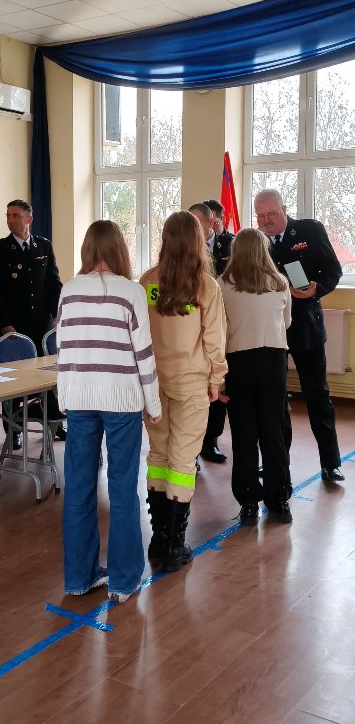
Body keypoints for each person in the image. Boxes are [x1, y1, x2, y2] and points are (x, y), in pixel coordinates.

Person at [56, 220, 161, 604]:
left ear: (87, 249)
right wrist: (154, 404)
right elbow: (143, 353)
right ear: (120, 249)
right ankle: (123, 580)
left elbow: (63, 349)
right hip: (122, 401)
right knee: (122, 488)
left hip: (79, 399)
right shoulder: (131, 292)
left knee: (78, 489)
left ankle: (78, 578)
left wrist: (64, 397)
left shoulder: (69, 290)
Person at [141, 211, 227, 572]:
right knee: (182, 461)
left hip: (152, 384)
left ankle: (159, 538)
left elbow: (139, 335)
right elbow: (214, 340)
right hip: (191, 384)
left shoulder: (148, 281)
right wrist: (216, 379)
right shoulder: (206, 286)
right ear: (197, 241)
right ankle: (176, 545)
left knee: (158, 454)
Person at [254, 189, 344, 482]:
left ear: (284, 209)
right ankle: (277, 463)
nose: (266, 221)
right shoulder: (255, 241)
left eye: (272, 214)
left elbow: (333, 269)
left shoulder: (309, 231)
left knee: (317, 395)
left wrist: (317, 288)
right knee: (274, 399)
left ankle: (330, 462)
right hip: (271, 329)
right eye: (260, 216)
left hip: (305, 325)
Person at [219, 228, 292, 525]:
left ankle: (248, 500)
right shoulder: (280, 282)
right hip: (273, 360)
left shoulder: (223, 284)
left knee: (244, 433)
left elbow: (220, 328)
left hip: (238, 361)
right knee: (274, 431)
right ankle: (279, 499)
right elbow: (286, 322)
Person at [0, 199, 64, 446]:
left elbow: (53, 283)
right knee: (13, 380)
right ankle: (13, 430)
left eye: (16, 216)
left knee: (48, 376)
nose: (10, 220)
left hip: (41, 324)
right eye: (8, 215)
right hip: (14, 326)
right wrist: (4, 324)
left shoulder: (43, 245)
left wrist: (57, 314)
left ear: (29, 219)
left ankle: (54, 423)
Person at [189, 201, 229, 465]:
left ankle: (210, 442)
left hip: (221, 320)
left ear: (210, 221)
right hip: (191, 323)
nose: (192, 226)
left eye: (196, 221)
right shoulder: (185, 246)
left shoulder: (230, 244)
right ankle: (190, 450)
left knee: (216, 388)